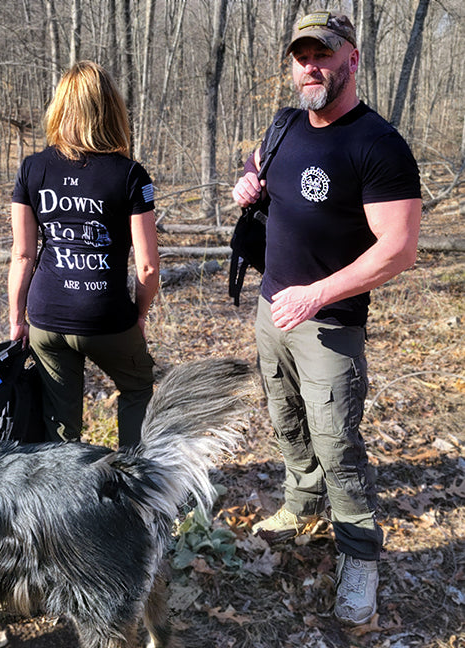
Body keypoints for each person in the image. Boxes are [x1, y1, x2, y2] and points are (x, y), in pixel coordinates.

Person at [232, 11, 421, 626]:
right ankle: (299, 498)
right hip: (272, 308)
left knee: (339, 443)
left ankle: (360, 557)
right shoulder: (285, 124)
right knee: (286, 419)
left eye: (324, 54)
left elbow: (399, 248)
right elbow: (259, 169)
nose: (311, 66)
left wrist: (317, 294)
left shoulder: (377, 144)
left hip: (330, 322)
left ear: (352, 59)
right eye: (301, 56)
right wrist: (247, 184)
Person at [8, 60, 159, 448]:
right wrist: (139, 315)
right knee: (138, 389)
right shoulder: (129, 175)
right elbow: (147, 266)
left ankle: (66, 497)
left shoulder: (32, 169)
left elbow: (22, 255)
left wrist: (16, 321)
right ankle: (133, 484)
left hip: (47, 316)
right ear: (111, 110)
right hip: (107, 317)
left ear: (60, 108)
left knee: (61, 426)